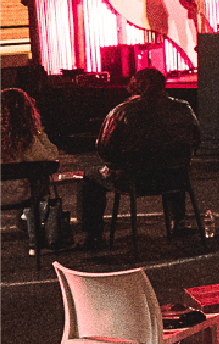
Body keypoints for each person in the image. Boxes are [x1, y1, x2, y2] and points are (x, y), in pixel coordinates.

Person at [76, 69, 200, 250]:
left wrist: (118, 165)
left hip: (134, 179)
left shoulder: (122, 111)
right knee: (171, 161)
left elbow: (105, 149)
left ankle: (93, 234)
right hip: (175, 178)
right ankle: (178, 222)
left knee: (89, 178)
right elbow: (195, 140)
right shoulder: (183, 108)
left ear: (137, 86)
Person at [2, 87, 62, 218]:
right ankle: (32, 223)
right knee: (40, 176)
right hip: (24, 195)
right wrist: (39, 132)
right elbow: (51, 157)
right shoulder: (28, 140)